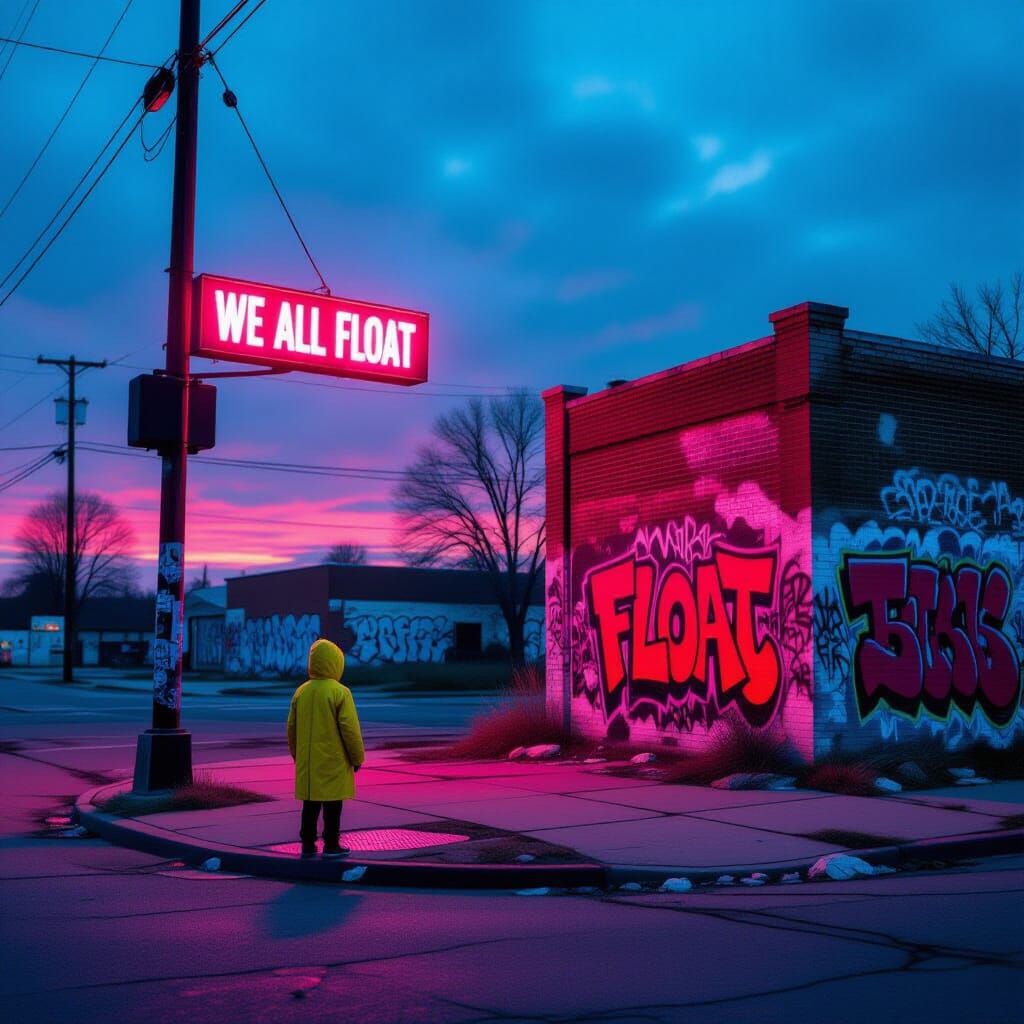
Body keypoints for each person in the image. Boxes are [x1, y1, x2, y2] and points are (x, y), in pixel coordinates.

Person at [286, 638, 365, 859]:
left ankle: (308, 844)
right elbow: (350, 730)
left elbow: (291, 728)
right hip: (333, 761)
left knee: (309, 805)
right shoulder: (340, 692)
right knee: (333, 805)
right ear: (335, 663)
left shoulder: (301, 692)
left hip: (309, 763)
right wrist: (357, 758)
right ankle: (331, 844)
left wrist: (297, 755)